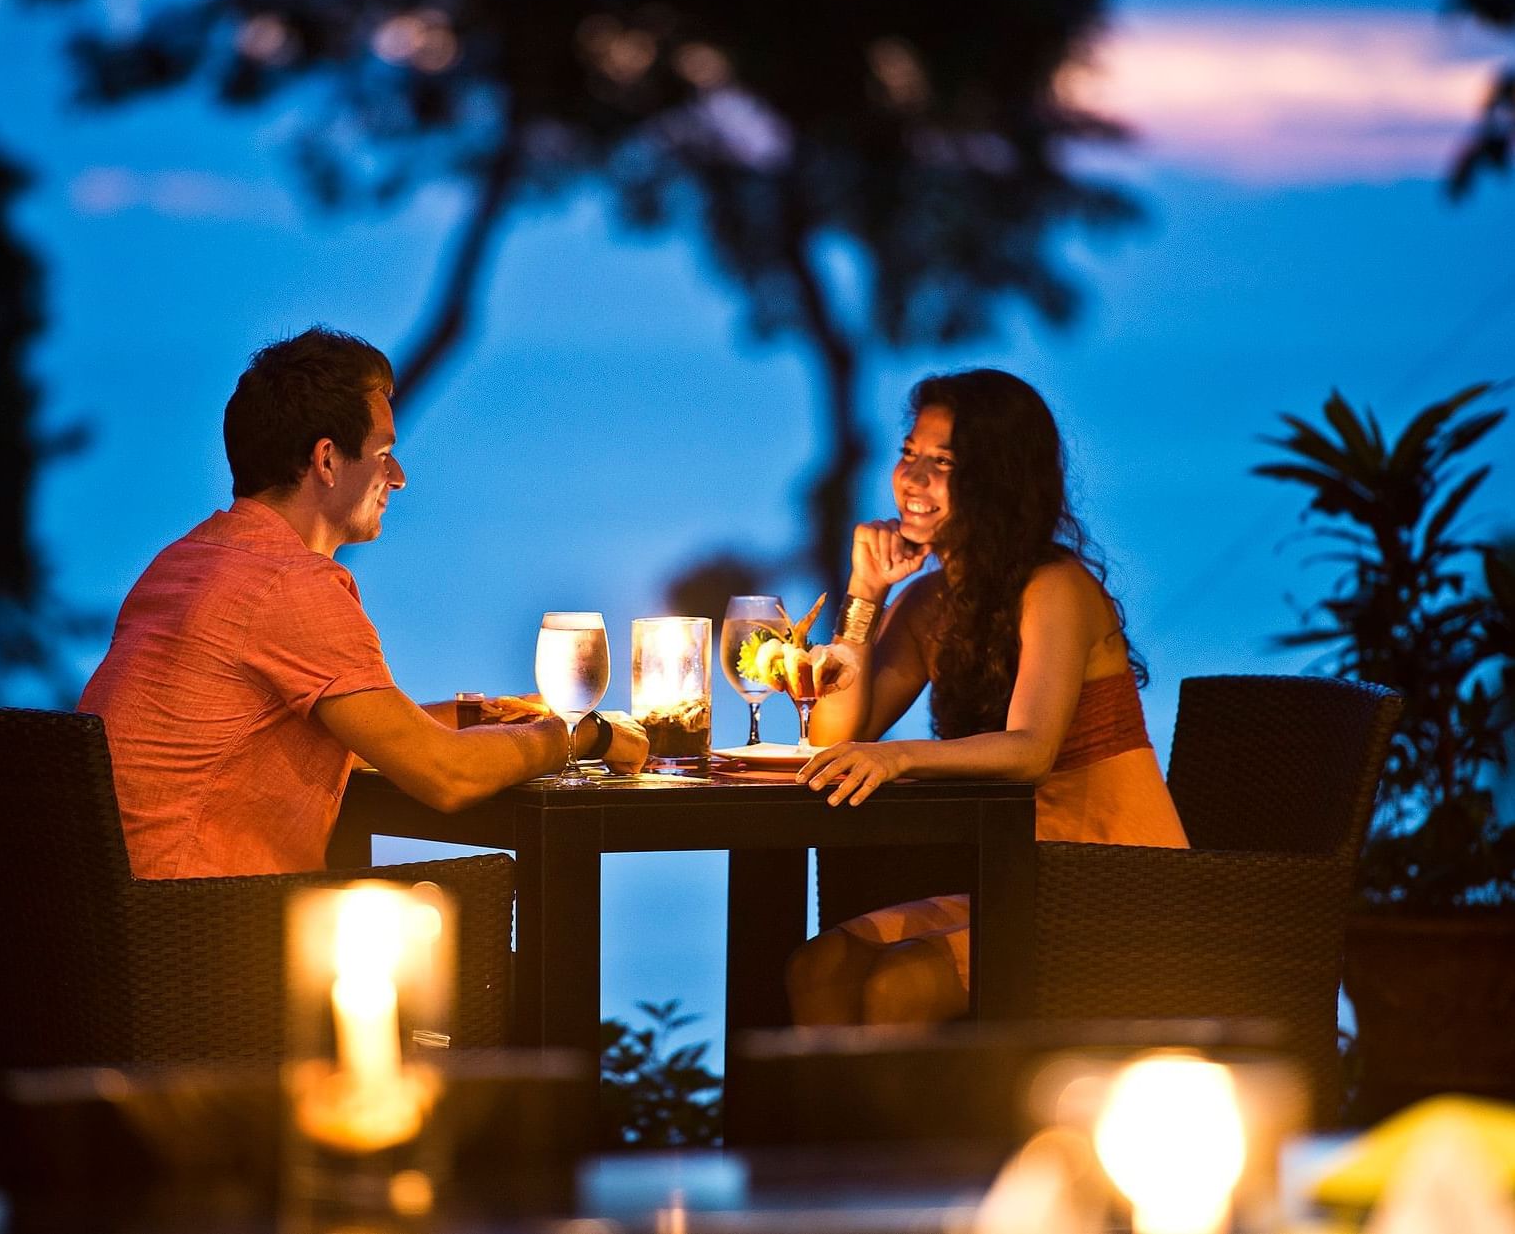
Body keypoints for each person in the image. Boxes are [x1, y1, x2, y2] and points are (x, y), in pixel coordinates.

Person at [79, 326, 646, 880]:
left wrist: (495, 716)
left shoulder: (184, 564)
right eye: (382, 454)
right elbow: (442, 774)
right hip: (203, 933)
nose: (396, 478)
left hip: (106, 935)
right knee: (461, 912)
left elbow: (360, 737)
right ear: (326, 461)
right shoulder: (288, 585)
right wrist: (582, 735)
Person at [785, 368, 1188, 1025]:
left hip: (1120, 889)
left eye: (940, 465)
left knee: (898, 986)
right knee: (819, 966)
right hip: (1016, 878)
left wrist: (898, 757)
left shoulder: (1055, 588)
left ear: (997, 481)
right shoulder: (929, 603)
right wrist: (864, 592)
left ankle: (923, 1132)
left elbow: (1030, 750)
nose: (912, 481)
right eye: (909, 455)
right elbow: (830, 734)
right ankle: (836, 1132)